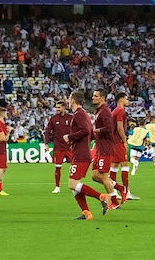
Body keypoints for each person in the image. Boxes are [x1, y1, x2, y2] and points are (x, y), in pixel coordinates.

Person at [62, 91, 110, 220]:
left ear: (72, 100)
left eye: (69, 98)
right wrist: (75, 141)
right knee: (75, 186)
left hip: (81, 155)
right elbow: (91, 134)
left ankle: (101, 196)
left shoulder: (79, 114)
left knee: (72, 184)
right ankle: (86, 213)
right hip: (80, 152)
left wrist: (70, 137)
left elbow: (86, 131)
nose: (68, 100)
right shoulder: (82, 114)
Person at [90, 89, 121, 209]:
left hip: (106, 148)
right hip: (100, 148)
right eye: (93, 95)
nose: (93, 97)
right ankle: (119, 188)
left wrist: (96, 131)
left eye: (96, 96)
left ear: (102, 98)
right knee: (95, 176)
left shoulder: (105, 111)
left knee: (103, 176)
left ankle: (114, 202)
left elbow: (109, 127)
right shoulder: (99, 111)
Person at [44, 99, 74, 194]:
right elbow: (47, 132)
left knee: (74, 166)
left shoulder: (71, 118)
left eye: (59, 107)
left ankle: (75, 184)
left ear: (64, 108)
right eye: (56, 107)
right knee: (58, 167)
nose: (57, 109)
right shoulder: (53, 119)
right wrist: (46, 144)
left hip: (70, 147)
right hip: (58, 147)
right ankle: (57, 186)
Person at [112, 93, 130, 201]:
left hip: (113, 142)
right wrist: (124, 141)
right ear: (121, 99)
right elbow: (119, 127)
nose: (128, 101)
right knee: (125, 166)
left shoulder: (115, 111)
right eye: (126, 99)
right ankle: (126, 191)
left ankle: (113, 192)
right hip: (118, 142)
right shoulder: (120, 111)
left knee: (114, 167)